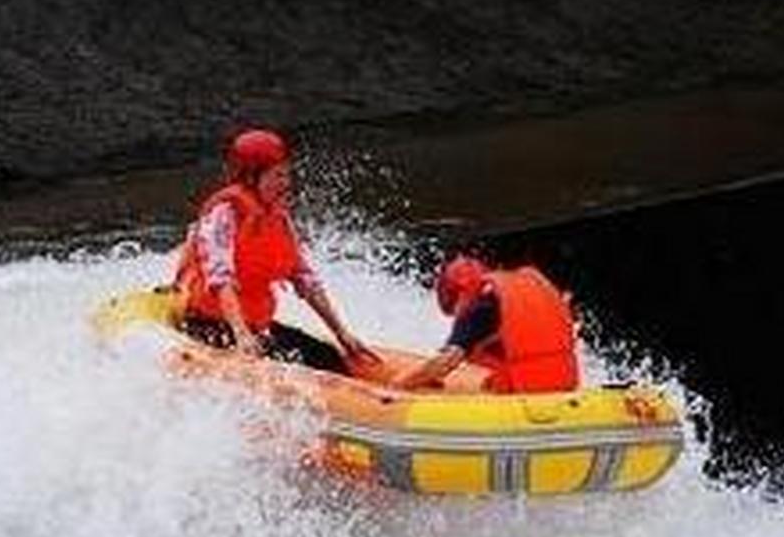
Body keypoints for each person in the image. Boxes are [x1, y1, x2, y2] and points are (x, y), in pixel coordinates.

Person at [174, 127, 374, 374]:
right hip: (209, 325)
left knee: (327, 357)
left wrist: (342, 333)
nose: (285, 184)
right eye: (277, 176)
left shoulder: (278, 218)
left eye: (286, 175)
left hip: (256, 325)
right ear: (250, 177)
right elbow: (220, 279)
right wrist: (241, 335)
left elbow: (305, 279)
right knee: (289, 370)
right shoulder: (224, 215)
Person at [394, 254, 580, 393]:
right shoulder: (521, 288)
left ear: (456, 293)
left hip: (525, 398)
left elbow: (446, 361)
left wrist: (398, 386)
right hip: (566, 388)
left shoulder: (477, 311)